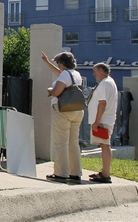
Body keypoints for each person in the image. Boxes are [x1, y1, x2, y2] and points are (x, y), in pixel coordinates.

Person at [41, 51, 84, 184]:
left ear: (62, 63)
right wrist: (48, 63)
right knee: (73, 143)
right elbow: (62, 75)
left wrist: (50, 91)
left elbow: (57, 92)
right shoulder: (75, 74)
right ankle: (75, 173)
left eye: (58, 63)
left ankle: (61, 173)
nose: (58, 65)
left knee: (61, 143)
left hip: (63, 111)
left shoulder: (65, 74)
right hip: (77, 110)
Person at [87, 62, 118, 183]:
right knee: (103, 144)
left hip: (103, 120)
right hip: (105, 119)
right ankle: (104, 172)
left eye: (95, 71)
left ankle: (105, 174)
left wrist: (97, 121)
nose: (93, 74)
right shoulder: (109, 82)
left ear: (101, 70)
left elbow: (102, 103)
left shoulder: (105, 84)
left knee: (105, 145)